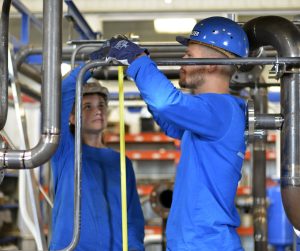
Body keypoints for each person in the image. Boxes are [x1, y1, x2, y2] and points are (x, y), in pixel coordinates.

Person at [93, 16, 249, 250]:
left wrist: (138, 60)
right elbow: (169, 120)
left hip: (206, 244)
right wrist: (140, 72)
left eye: (189, 56)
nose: (181, 62)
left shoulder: (222, 109)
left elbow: (167, 104)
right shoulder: (208, 114)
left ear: (212, 64)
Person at [49, 65, 145, 250]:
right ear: (72, 117)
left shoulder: (121, 162)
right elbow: (61, 96)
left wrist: (135, 247)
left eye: (101, 105)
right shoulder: (65, 151)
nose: (98, 111)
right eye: (87, 106)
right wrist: (92, 64)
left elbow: (133, 217)